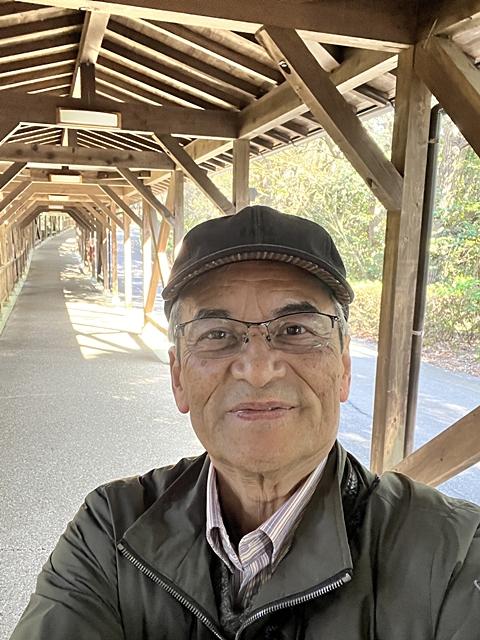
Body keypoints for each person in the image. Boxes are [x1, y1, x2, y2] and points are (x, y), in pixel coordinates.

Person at [11, 206, 480, 640]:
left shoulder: (455, 555)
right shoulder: (110, 532)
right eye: (218, 334)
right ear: (178, 378)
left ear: (343, 368)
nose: (257, 370)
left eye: (295, 329)